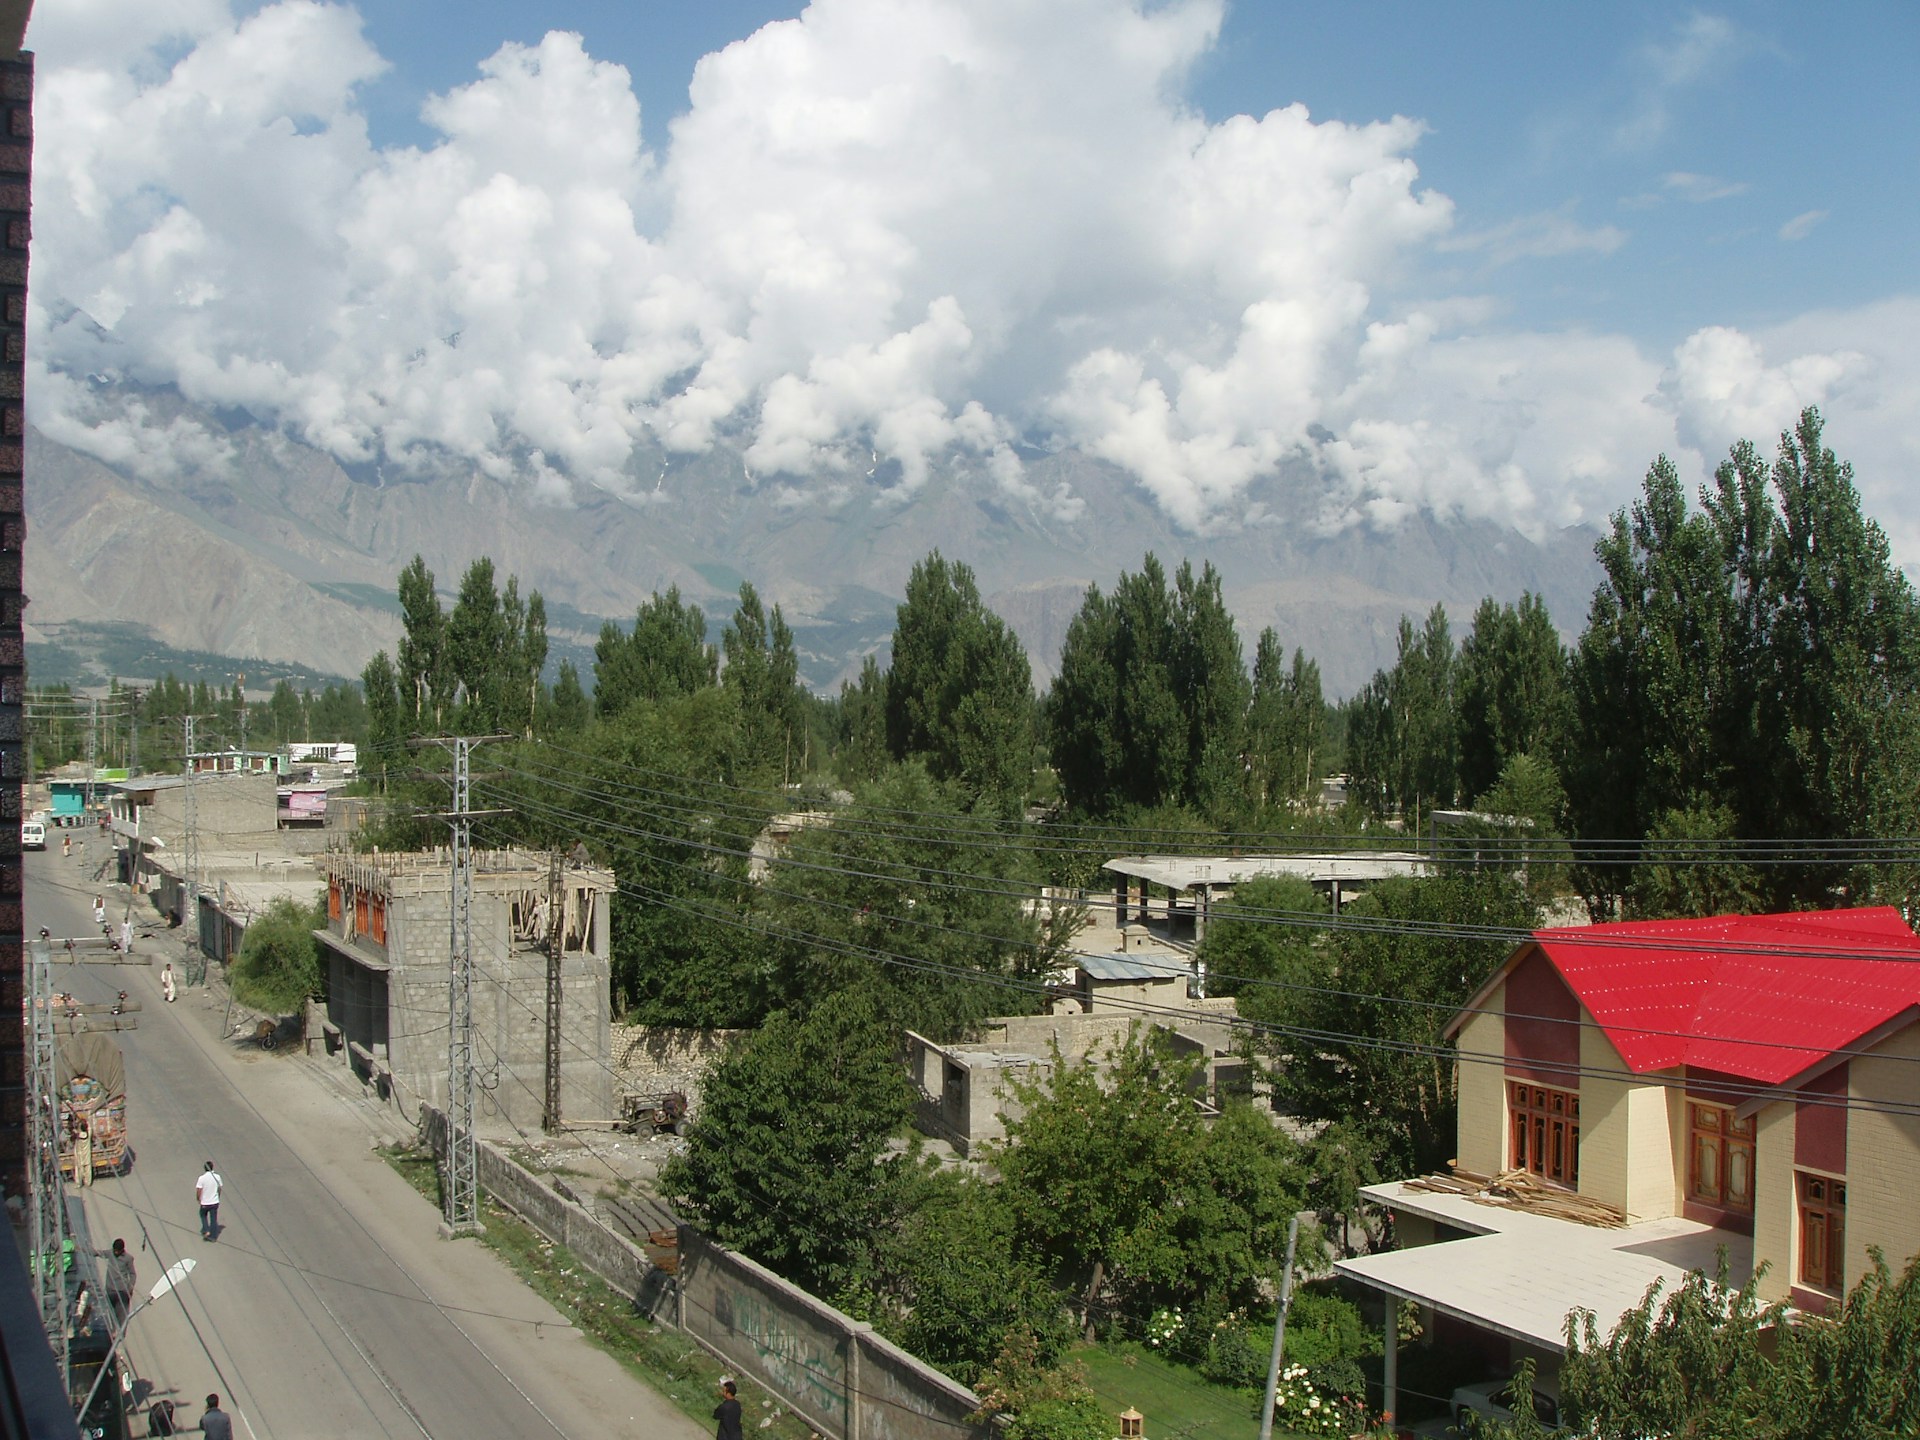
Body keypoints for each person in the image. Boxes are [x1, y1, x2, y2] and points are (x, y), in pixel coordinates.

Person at [98, 1238, 135, 1321]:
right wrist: (83, 1249)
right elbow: (98, 1253)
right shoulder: (110, 1253)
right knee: (109, 1316)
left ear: (122, 1250)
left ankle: (119, 1333)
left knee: (121, 1317)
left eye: (118, 1251)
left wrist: (130, 1287)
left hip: (121, 1292)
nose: (116, 1253)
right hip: (110, 1290)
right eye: (115, 1250)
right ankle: (112, 1332)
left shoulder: (128, 1258)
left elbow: (132, 1274)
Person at [195, 1161, 223, 1240]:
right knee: (213, 1219)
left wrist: (198, 1198)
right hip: (214, 1202)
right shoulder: (217, 1177)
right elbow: (220, 1188)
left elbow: (199, 1190)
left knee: (203, 1215)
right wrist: (217, 1196)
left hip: (205, 1202)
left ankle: (206, 1230)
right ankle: (213, 1236)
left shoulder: (202, 1178)